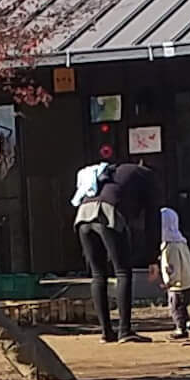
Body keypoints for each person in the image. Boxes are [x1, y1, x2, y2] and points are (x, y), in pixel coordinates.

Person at [73, 141, 146, 342]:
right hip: (106, 214)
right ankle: (124, 330)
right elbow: (153, 215)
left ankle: (106, 332)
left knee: (98, 275)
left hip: (82, 216)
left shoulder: (108, 174)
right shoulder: (143, 175)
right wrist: (153, 255)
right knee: (122, 271)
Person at [154, 204, 190, 338]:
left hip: (177, 285)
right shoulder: (181, 242)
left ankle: (181, 329)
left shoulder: (169, 247)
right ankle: (186, 322)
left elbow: (172, 267)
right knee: (182, 305)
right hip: (187, 281)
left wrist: (170, 282)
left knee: (176, 307)